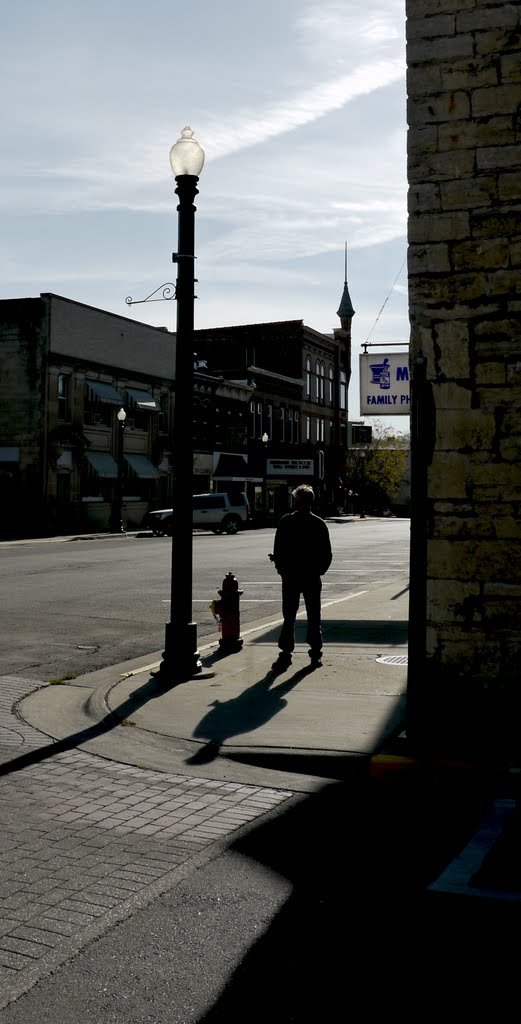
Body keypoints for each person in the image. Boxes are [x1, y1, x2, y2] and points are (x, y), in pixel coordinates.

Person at [271, 484, 332, 670]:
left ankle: (286, 653)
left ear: (297, 501)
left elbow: (278, 549)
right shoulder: (318, 524)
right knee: (314, 615)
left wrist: (282, 569)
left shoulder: (286, 522)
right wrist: (318, 571)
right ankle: (315, 653)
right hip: (310, 577)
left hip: (292, 576)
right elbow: (327, 554)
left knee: (289, 616)